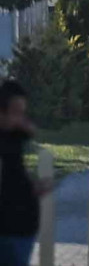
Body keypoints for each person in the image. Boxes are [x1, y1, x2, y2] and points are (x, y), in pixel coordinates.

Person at [0, 80, 46, 266]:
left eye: (22, 112)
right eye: (15, 112)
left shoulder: (14, 134)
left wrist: (32, 188)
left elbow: (29, 131)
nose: (20, 118)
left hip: (21, 227)